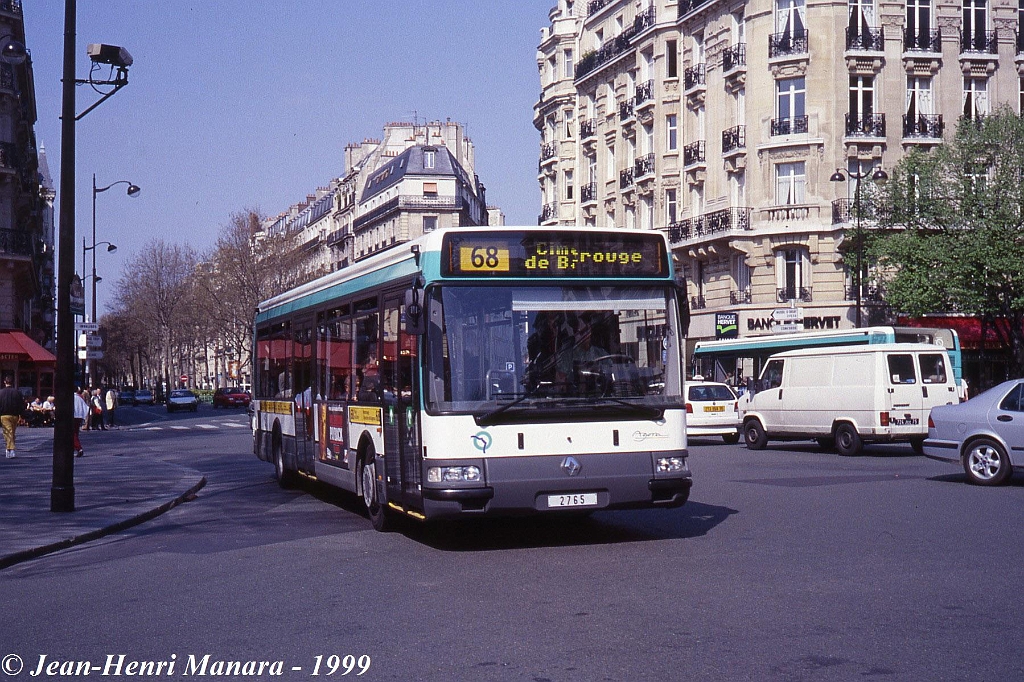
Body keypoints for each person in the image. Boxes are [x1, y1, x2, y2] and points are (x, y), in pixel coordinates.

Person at [0, 376, 25, 458]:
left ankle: (10, 449)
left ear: (5, 382)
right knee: (12, 432)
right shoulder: (17, 392)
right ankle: (10, 450)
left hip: (4, 415)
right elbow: (21, 405)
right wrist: (22, 415)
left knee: (8, 432)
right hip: (15, 415)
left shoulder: (1, 392)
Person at [72, 389, 90, 457]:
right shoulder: (79, 398)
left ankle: (78, 448)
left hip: (73, 416)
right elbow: (85, 407)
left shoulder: (72, 397)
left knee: (72, 433)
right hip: (79, 417)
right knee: (76, 432)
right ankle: (74, 447)